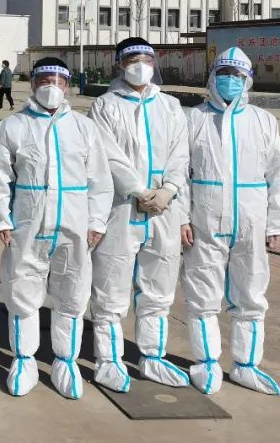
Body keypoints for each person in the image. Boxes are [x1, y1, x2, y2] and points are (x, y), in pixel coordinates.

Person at [0, 57, 139, 399]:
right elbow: (0, 177)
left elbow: (100, 181)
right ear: (33, 83)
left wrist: (96, 221)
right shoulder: (13, 126)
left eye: (58, 81)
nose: (51, 87)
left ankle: (65, 361)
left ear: (68, 86)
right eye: (44, 80)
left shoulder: (84, 128)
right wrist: (2, 217)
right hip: (28, 227)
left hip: (73, 228)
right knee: (22, 294)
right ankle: (24, 360)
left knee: (71, 295)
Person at [183, 46, 280, 396]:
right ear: (213, 77)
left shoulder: (263, 121)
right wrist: (182, 217)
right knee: (203, 293)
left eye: (237, 75)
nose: (230, 80)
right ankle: (206, 363)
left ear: (248, 80)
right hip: (205, 218)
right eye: (224, 73)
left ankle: (246, 365)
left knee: (251, 293)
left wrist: (276, 222)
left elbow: (277, 174)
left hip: (251, 219)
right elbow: (180, 174)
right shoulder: (194, 119)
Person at [88, 38, 191, 392]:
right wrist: (137, 190)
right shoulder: (105, 106)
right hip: (120, 207)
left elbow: (180, 154)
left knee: (159, 288)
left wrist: (169, 190)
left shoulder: (171, 106)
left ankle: (152, 356)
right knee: (110, 286)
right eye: (132, 59)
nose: (140, 65)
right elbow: (107, 154)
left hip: (164, 209)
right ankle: (108, 360)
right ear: (119, 64)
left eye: (146, 58)